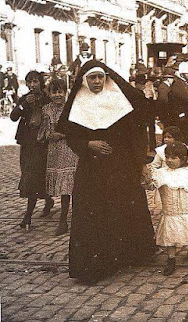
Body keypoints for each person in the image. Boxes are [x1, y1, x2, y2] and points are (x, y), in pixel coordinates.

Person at [56, 60, 156, 283]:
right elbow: (71, 136)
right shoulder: (77, 104)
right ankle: (97, 264)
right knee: (93, 211)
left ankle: (126, 255)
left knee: (121, 207)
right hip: (92, 168)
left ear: (107, 78)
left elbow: (135, 132)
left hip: (121, 166)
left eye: (101, 77)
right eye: (92, 78)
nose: (97, 82)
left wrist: (140, 162)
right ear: (84, 80)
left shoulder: (119, 100)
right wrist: (88, 144)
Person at [150, 142, 188, 275]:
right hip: (170, 212)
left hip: (187, 210)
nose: (169, 160)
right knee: (170, 236)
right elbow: (151, 186)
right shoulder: (160, 174)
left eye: (173, 158)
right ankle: (171, 259)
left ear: (182, 159)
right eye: (167, 157)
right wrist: (147, 181)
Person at [10, 71, 53, 231]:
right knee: (29, 175)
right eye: (29, 82)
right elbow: (13, 117)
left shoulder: (47, 99)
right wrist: (23, 105)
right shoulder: (25, 99)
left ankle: (27, 217)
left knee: (32, 177)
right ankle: (48, 200)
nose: (32, 85)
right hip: (27, 144)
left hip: (42, 144)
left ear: (41, 83)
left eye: (35, 81)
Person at [37, 79, 78, 235]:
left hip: (70, 150)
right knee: (63, 188)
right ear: (49, 93)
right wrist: (49, 135)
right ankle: (63, 220)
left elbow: (77, 130)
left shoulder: (71, 108)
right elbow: (42, 133)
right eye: (54, 92)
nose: (57, 95)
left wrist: (63, 134)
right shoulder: (46, 110)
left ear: (65, 92)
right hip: (55, 152)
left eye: (60, 91)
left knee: (71, 186)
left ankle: (65, 220)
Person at [168, 61, 188, 146]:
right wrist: (181, 113)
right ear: (182, 74)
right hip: (183, 115)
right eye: (187, 74)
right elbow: (177, 101)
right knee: (184, 134)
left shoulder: (185, 83)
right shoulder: (178, 84)